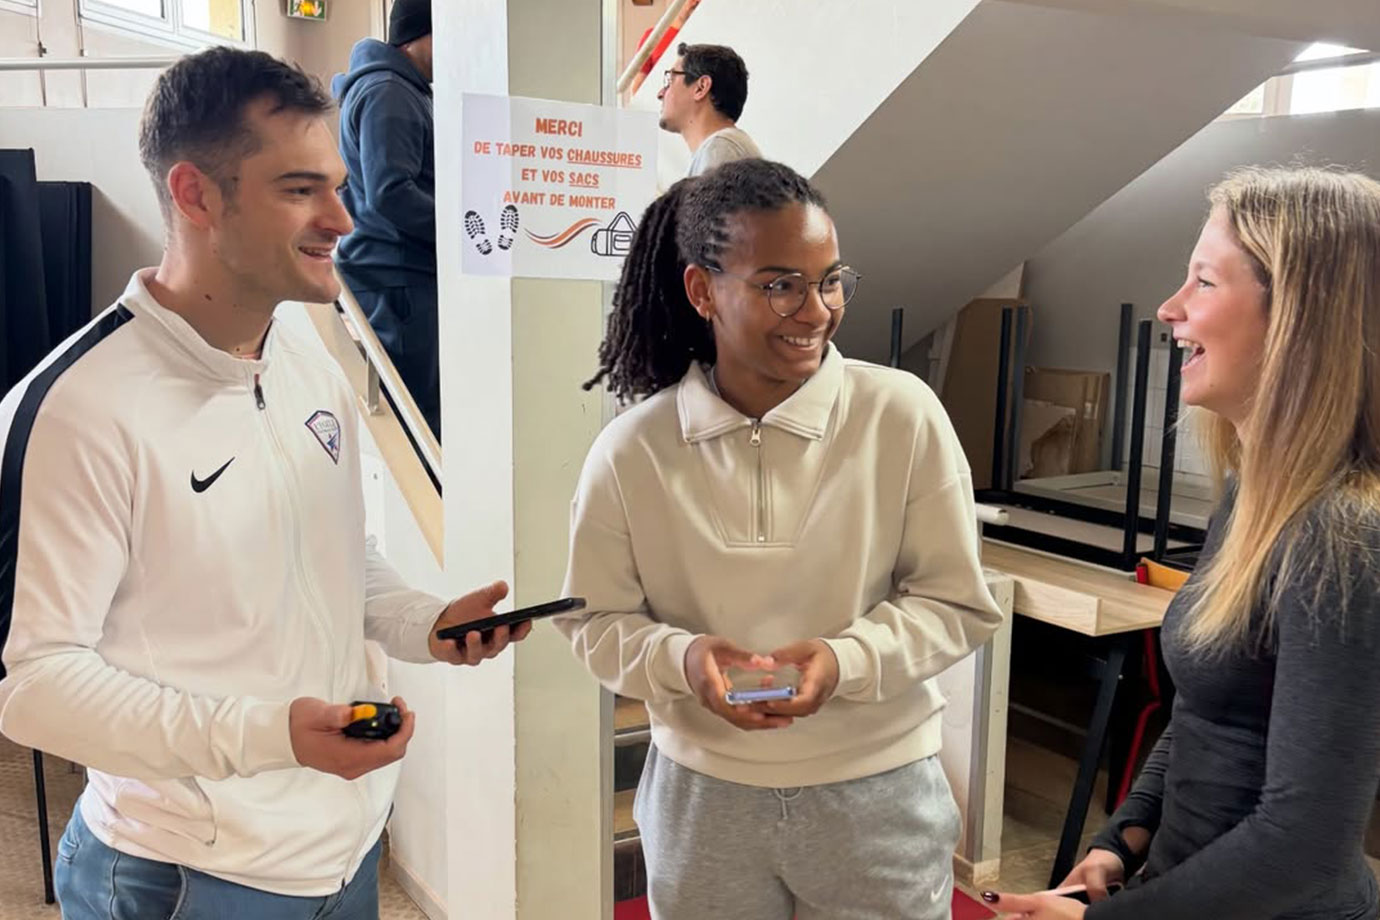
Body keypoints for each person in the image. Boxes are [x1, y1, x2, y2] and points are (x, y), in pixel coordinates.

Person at [0, 47, 527, 919]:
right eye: (299, 189)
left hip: (344, 851)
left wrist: (424, 624)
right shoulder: (74, 409)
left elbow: (338, 558)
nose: (342, 219)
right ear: (196, 194)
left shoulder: (306, 361)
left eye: (339, 185)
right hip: (183, 876)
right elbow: (33, 686)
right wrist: (270, 736)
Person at [558, 158, 1004, 919]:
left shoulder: (902, 415)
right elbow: (592, 622)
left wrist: (843, 660)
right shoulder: (634, 449)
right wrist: (686, 659)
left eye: (830, 279)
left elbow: (955, 603)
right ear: (703, 290)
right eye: (778, 284)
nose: (815, 309)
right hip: (704, 800)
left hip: (879, 791)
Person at [986, 167, 1380, 920]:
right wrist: (1122, 839)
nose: (1170, 307)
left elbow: (1305, 844)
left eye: (1203, 281)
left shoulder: (1343, 535)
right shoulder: (1258, 494)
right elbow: (1212, 710)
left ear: (1298, 315)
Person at [333, 0, 440, 437]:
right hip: (398, 281)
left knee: (424, 413)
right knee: (420, 419)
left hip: (399, 277)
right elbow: (390, 193)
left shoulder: (398, 88)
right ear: (424, 35)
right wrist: (461, 231)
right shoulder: (388, 92)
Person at [657, 42, 761, 177]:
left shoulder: (721, 148)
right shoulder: (720, 149)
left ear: (701, 87)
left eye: (670, 81)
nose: (660, 94)